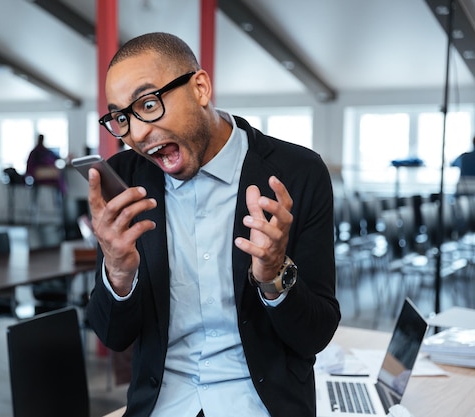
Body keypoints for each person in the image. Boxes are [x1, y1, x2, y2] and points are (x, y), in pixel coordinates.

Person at [85, 32, 340, 417]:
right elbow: (112, 335)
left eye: (149, 104)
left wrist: (273, 276)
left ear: (200, 88)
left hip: (262, 405)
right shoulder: (124, 181)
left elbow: (315, 335)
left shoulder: (298, 173)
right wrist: (117, 274)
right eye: (122, 117)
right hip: (163, 405)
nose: (136, 135)